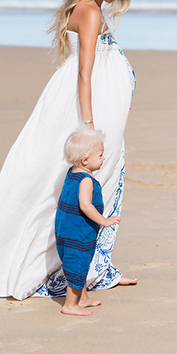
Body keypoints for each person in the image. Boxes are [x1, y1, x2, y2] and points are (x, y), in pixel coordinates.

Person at [0, 0, 148, 300]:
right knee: (84, 181)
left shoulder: (88, 8)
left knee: (89, 180)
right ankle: (68, 271)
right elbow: (85, 73)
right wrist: (88, 125)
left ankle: (95, 268)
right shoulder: (88, 12)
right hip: (88, 107)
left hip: (88, 103)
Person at [56, 129, 120, 316]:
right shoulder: (86, 181)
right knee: (76, 265)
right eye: (100, 155)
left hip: (66, 230)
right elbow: (85, 206)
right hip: (78, 233)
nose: (103, 158)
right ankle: (70, 304)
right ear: (85, 160)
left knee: (81, 264)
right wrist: (105, 221)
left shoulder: (72, 174)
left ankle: (82, 298)